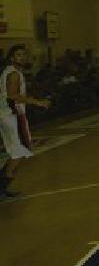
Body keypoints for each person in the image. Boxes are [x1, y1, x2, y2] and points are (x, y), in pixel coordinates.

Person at [0, 45, 51, 197]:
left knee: (17, 151)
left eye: (23, 54)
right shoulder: (14, 74)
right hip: (12, 115)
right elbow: (12, 95)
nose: (21, 57)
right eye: (18, 55)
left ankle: (3, 185)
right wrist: (37, 102)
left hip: (8, 115)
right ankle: (2, 186)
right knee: (20, 151)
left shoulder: (11, 72)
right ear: (11, 57)